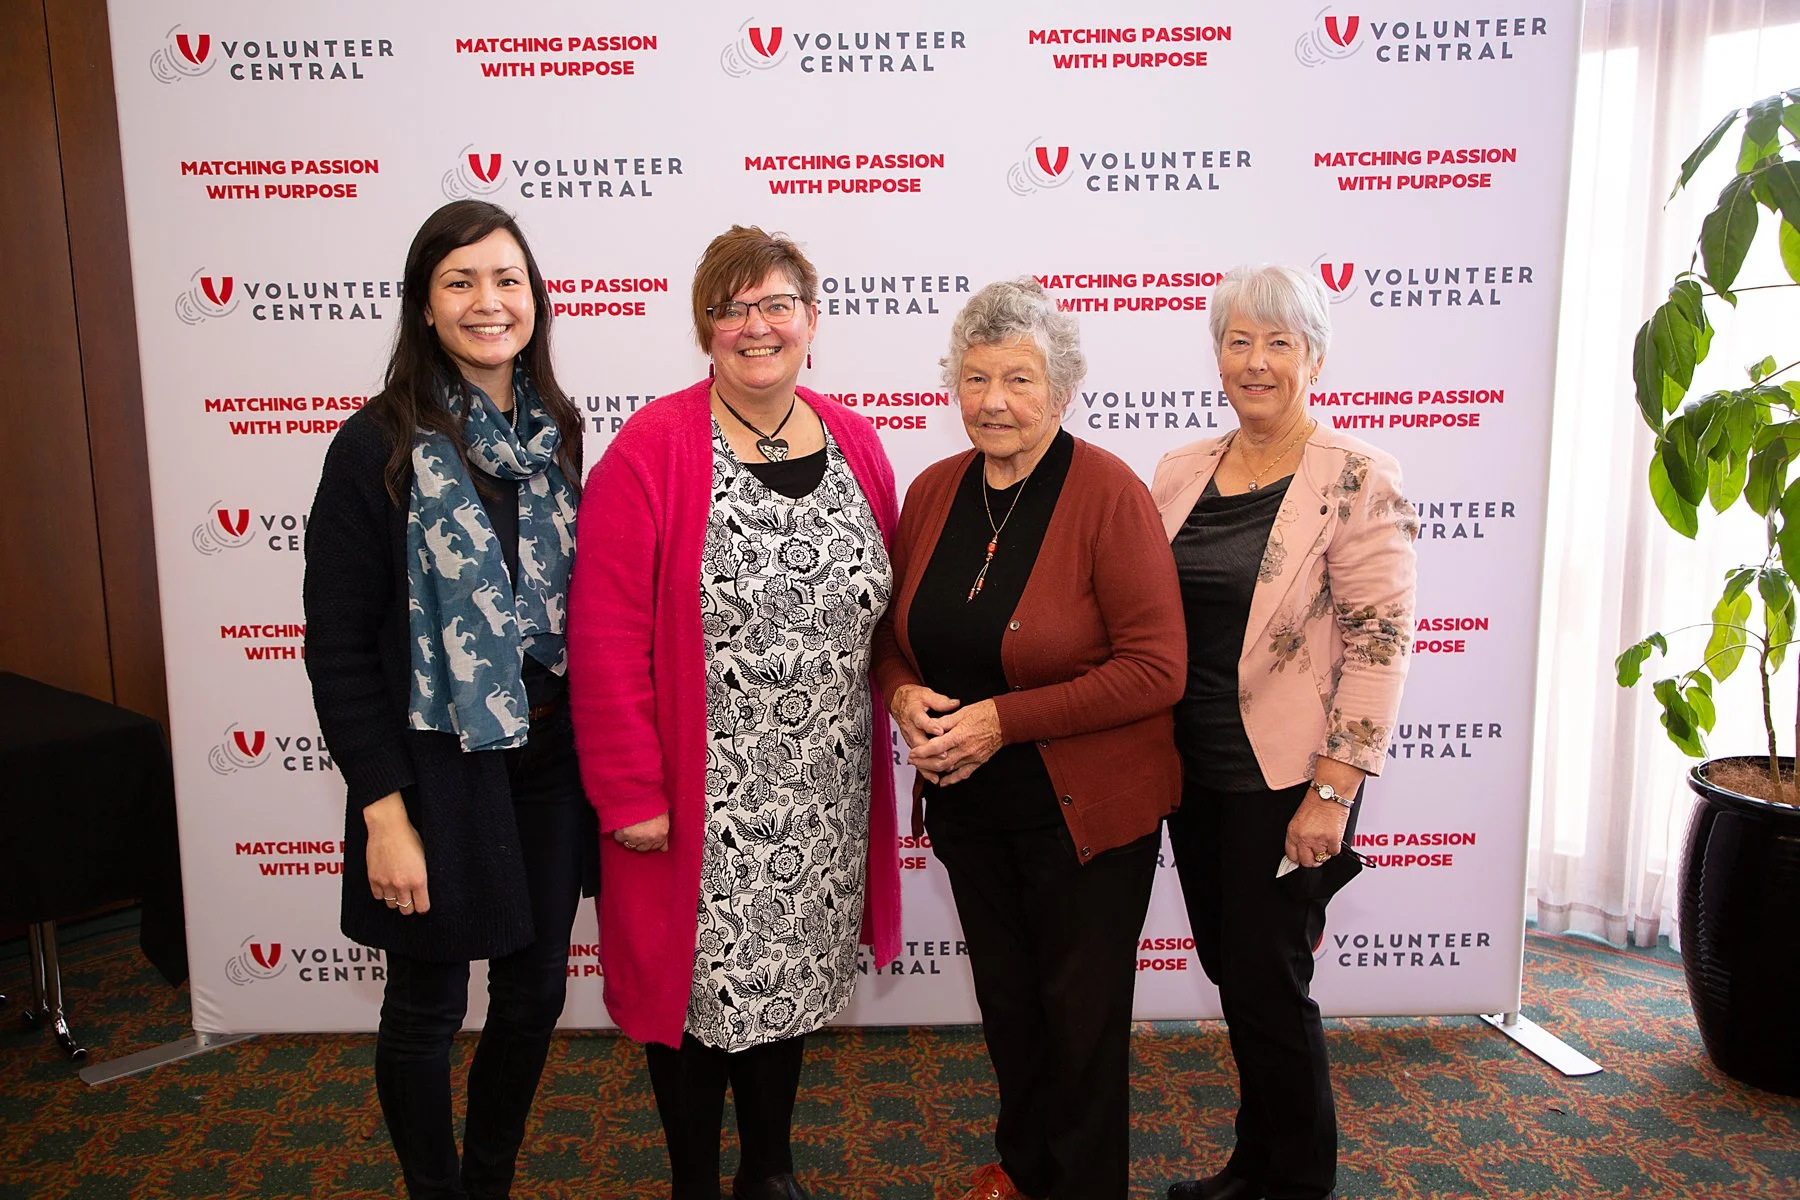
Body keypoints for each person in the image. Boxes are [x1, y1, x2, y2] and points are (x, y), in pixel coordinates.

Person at [567, 225, 901, 1200]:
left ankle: (769, 1168)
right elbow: (604, 639)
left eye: (777, 305)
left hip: (823, 790)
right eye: (732, 308)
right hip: (695, 797)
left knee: (785, 983)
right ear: (704, 327)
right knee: (695, 997)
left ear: (812, 321)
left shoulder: (857, 442)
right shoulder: (650, 452)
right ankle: (694, 1183)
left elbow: (886, 608)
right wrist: (630, 793)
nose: (757, 326)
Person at [302, 200, 597, 1200]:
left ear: (535, 298)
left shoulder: (557, 434)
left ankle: (487, 1180)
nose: (488, 301)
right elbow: (339, 649)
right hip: (434, 769)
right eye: (460, 281)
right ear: (424, 307)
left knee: (536, 994)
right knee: (426, 1008)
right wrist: (384, 816)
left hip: (549, 758)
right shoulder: (375, 447)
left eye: (507, 279)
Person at [871, 277, 1185, 1200]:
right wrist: (901, 695)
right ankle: (1024, 1169)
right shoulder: (934, 490)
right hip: (971, 811)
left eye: (1019, 379)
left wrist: (1002, 720)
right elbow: (890, 635)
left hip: (1084, 816)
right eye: (975, 378)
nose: (994, 400)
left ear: (1062, 390)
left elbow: (1157, 668)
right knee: (1010, 1010)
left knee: (1080, 1025)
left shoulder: (1109, 494)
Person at [1150, 265, 1419, 1200]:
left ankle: (1298, 1181)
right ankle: (1255, 1163)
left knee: (1270, 981)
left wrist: (1334, 792)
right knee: (1235, 972)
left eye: (1279, 343)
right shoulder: (1180, 471)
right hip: (1193, 774)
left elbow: (1380, 643)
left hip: (1292, 776)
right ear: (1217, 355)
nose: (1255, 362)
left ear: (1315, 358)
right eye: (1238, 342)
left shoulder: (1357, 474)